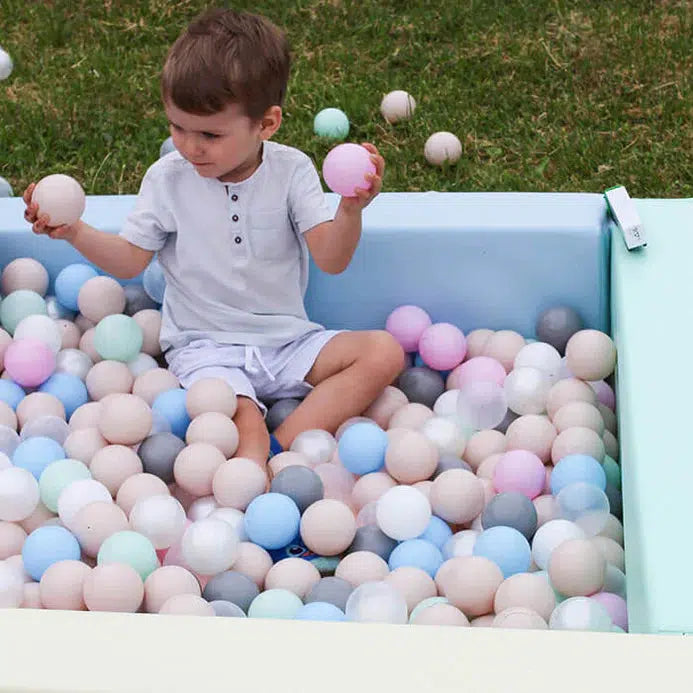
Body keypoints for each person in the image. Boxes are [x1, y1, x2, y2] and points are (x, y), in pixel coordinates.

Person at [23, 7, 404, 466]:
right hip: (206, 348)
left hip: (287, 342)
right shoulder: (168, 179)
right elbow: (129, 261)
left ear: (266, 124)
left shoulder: (292, 172)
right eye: (176, 127)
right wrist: (75, 231)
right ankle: (256, 464)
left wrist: (350, 209)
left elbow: (331, 258)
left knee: (384, 352)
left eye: (209, 133)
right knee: (239, 422)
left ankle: (283, 446)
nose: (189, 146)